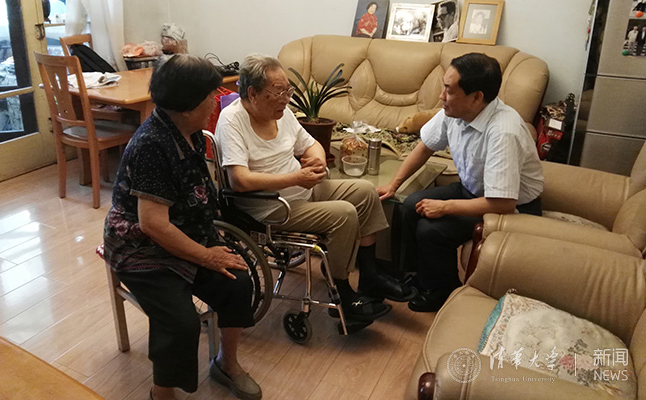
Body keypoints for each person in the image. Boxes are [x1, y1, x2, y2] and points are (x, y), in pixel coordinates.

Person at [103, 54, 261, 400]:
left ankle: (227, 364)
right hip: (141, 247)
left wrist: (210, 246)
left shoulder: (188, 131)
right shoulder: (152, 145)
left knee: (238, 282)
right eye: (211, 95)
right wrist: (206, 255)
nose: (216, 100)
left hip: (186, 234)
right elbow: (153, 225)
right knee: (180, 320)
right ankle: (162, 393)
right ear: (189, 106)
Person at [216, 54, 416, 325]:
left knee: (366, 192)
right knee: (344, 213)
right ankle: (342, 294)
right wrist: (295, 178)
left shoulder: (281, 113)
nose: (287, 99)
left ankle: (370, 275)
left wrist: (318, 161)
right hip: (271, 208)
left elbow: (311, 144)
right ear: (252, 93)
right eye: (279, 92)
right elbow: (239, 180)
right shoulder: (232, 121)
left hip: (301, 190)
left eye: (288, 91)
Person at [377, 53, 543, 313]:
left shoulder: (503, 131)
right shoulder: (454, 111)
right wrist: (393, 185)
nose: (441, 96)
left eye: (449, 90)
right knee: (410, 205)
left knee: (431, 230)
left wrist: (445, 207)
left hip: (511, 208)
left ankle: (442, 290)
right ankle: (419, 276)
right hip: (474, 190)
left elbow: (503, 203)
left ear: (476, 97)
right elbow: (425, 147)